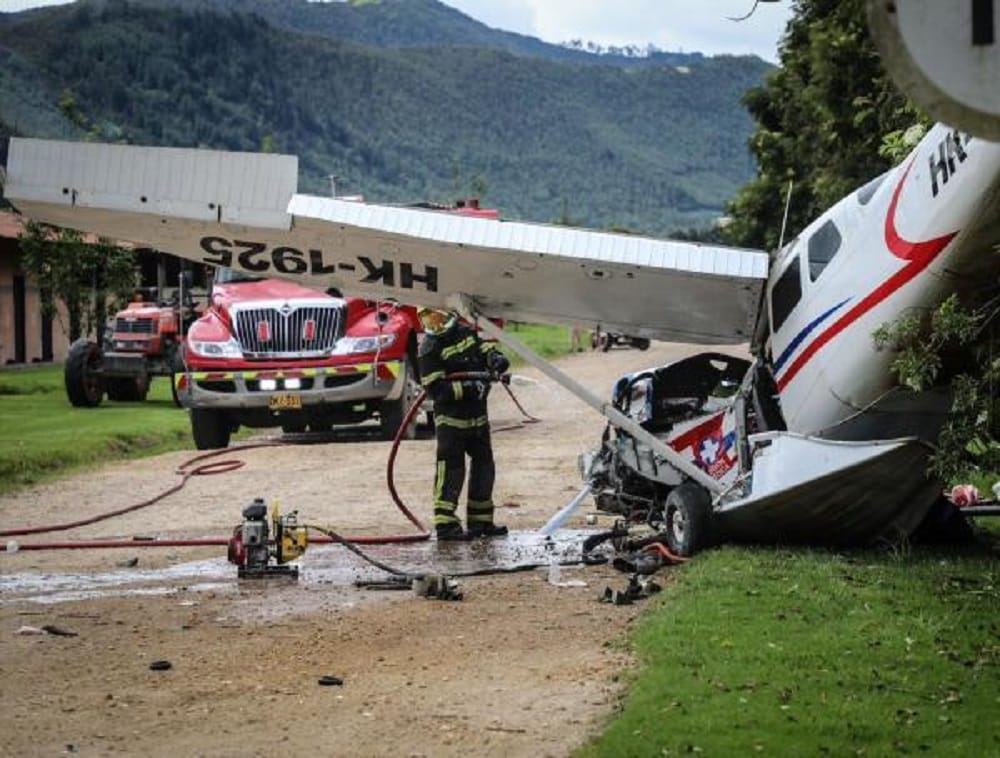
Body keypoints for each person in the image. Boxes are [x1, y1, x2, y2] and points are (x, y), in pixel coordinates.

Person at [417, 307, 510, 541]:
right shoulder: (429, 348)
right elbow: (436, 389)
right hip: (451, 422)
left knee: (484, 467)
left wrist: (494, 358)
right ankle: (446, 524)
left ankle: (481, 522)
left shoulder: (465, 332)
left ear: (449, 315)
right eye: (429, 320)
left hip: (478, 418)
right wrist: (469, 387)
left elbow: (482, 348)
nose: (435, 324)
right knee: (451, 470)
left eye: (438, 318)